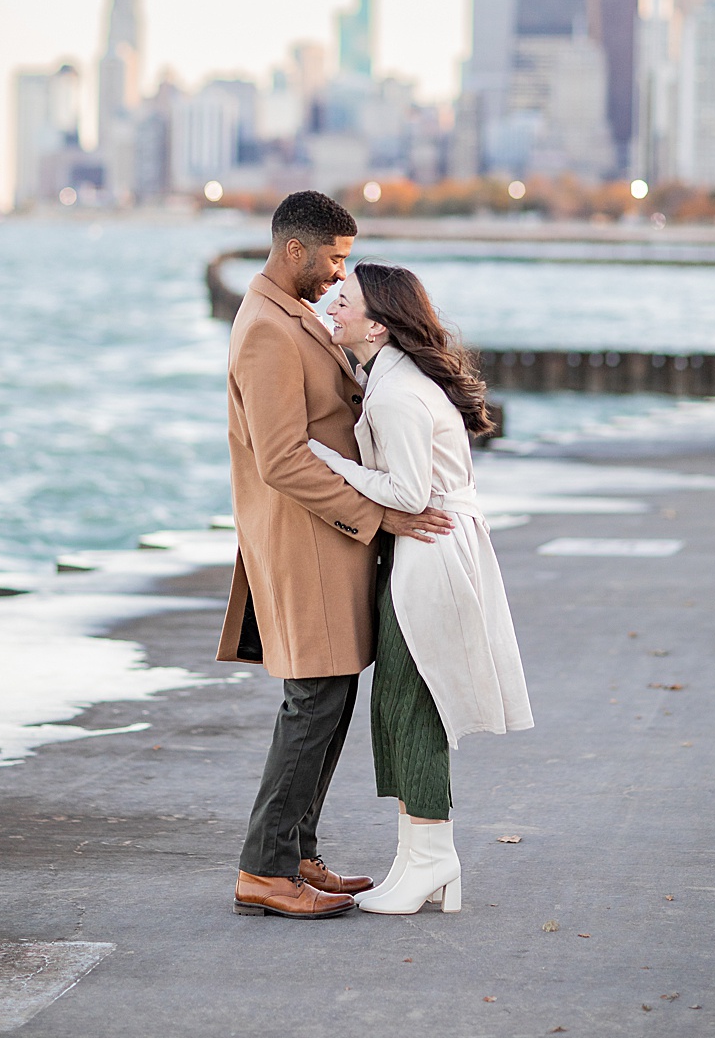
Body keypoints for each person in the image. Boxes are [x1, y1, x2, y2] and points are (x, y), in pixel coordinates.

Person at [216, 190, 455, 920]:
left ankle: (296, 854)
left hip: (330, 540)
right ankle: (264, 869)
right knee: (312, 700)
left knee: (330, 697)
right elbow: (282, 459)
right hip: (308, 542)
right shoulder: (265, 329)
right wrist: (381, 514)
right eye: (335, 258)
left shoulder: (294, 318)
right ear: (297, 249)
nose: (338, 275)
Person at [306, 263, 533, 914]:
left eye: (342, 301)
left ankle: (432, 859)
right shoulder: (391, 377)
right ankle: (416, 859)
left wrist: (326, 460)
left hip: (429, 548)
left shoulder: (398, 394)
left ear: (377, 324)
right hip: (432, 546)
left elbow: (406, 494)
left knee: (413, 705)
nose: (330, 308)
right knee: (403, 702)